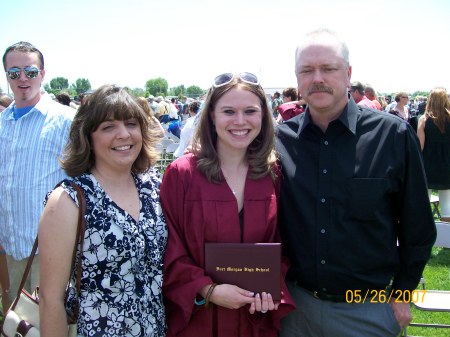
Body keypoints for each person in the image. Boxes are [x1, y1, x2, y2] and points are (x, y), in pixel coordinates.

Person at [277, 29, 436, 337]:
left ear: (348, 73)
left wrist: (403, 295)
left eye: (329, 68)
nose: (317, 78)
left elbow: (418, 227)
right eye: (307, 70)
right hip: (295, 310)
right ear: (297, 78)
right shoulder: (278, 141)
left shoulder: (393, 136)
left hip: (368, 310)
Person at [160, 72, 295, 337]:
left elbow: (283, 243)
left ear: (263, 116)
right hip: (198, 320)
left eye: (250, 111)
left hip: (254, 320)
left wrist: (271, 287)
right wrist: (206, 288)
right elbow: (169, 246)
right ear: (211, 115)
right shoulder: (183, 174)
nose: (240, 121)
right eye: (229, 111)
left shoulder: (272, 173)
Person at [38, 85, 167, 337]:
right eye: (108, 127)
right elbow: (50, 299)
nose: (123, 135)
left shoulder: (154, 186)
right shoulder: (68, 199)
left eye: (131, 124)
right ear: (88, 136)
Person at [0, 41, 75, 300]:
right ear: (7, 76)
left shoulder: (65, 120)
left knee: (49, 325)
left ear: (42, 74)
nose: (23, 78)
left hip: (50, 250)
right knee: (17, 323)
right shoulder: (2, 123)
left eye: (30, 72)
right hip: (11, 247)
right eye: (14, 73)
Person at [417, 87, 450, 222]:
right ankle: (446, 238)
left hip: (428, 163)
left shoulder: (424, 120)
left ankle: (424, 231)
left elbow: (420, 146)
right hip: (447, 163)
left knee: (424, 199)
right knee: (447, 202)